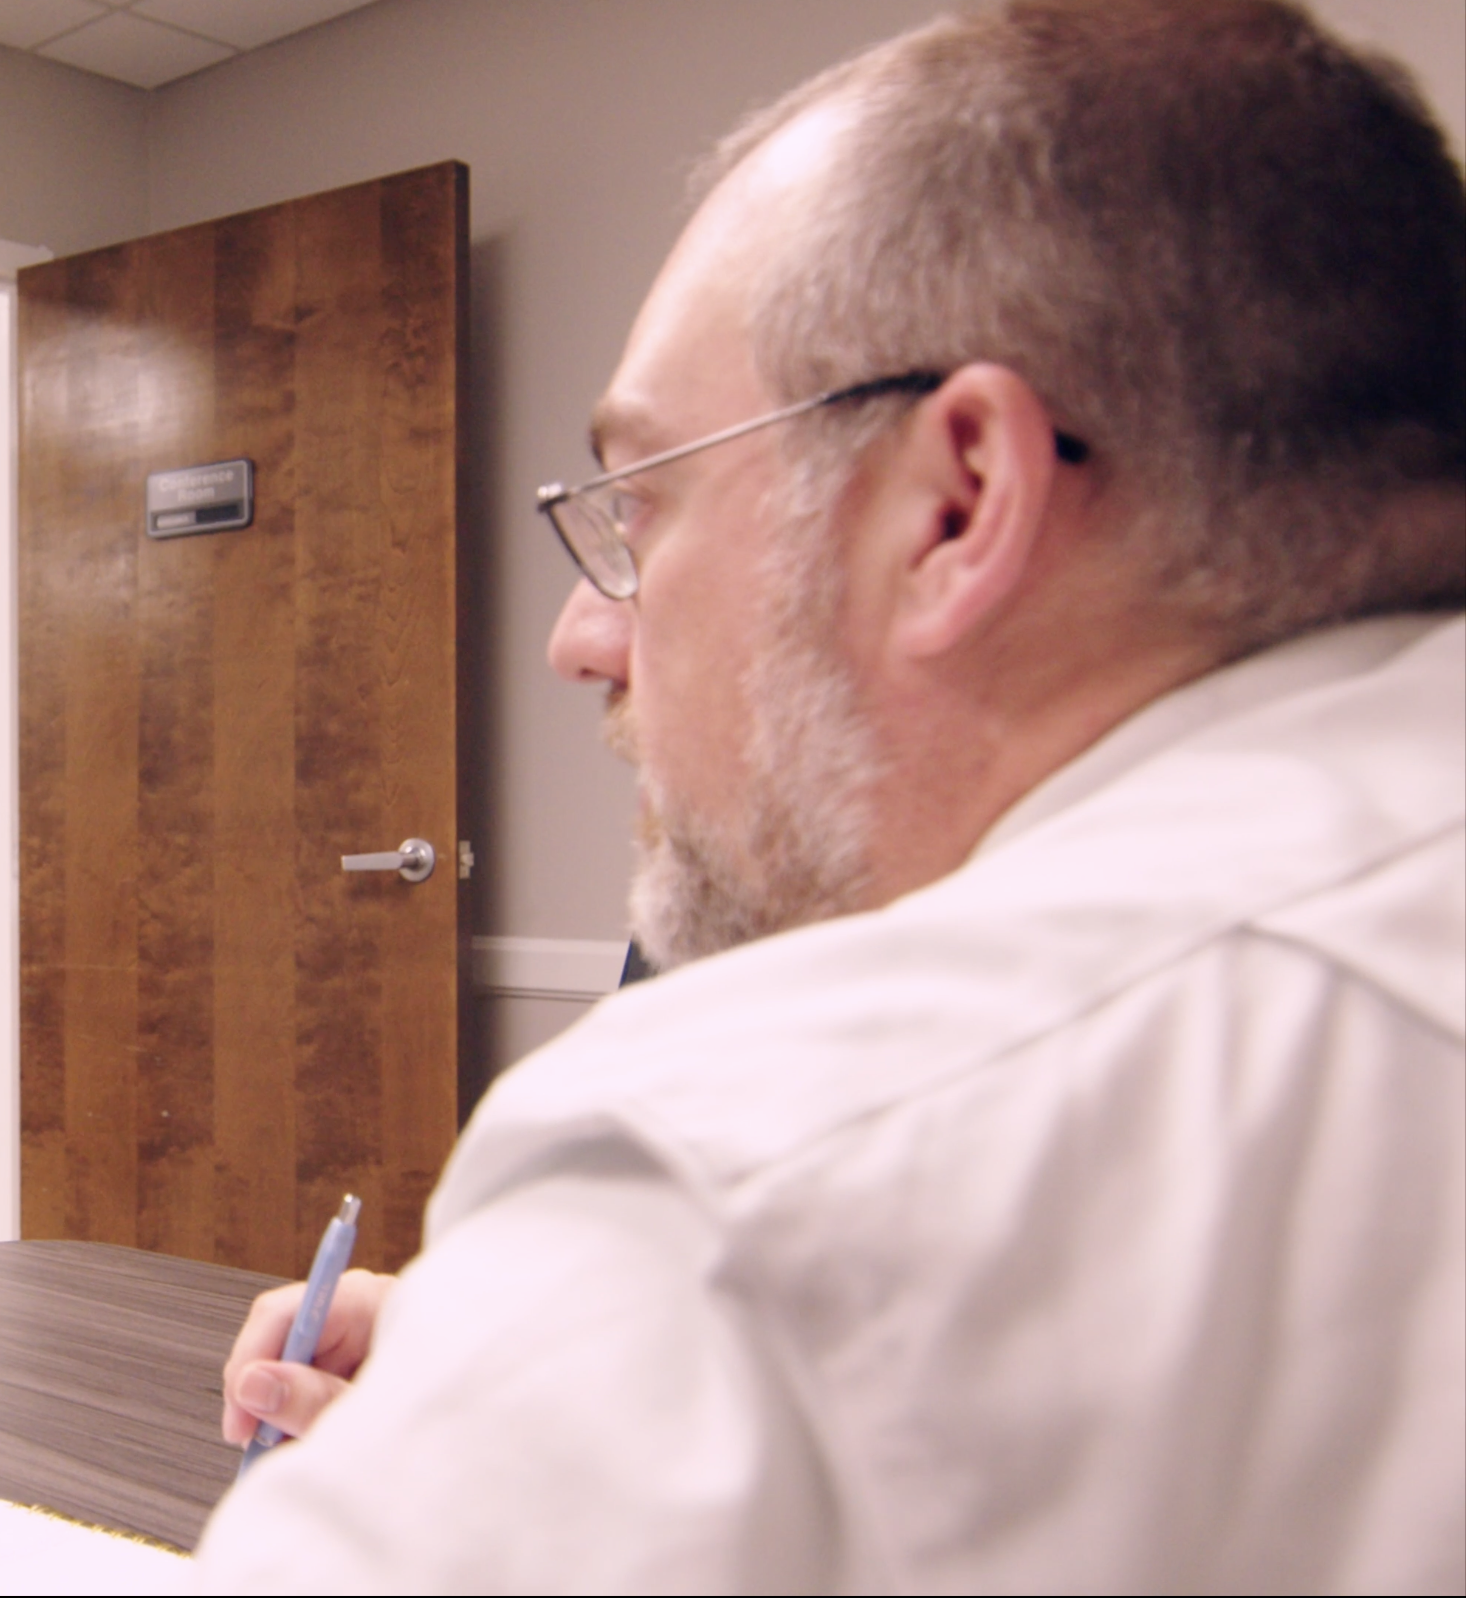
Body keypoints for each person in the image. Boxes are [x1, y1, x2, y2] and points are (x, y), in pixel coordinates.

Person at [198, 1, 1463, 1588]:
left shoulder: (752, 1169)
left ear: (958, 503)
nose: (581, 635)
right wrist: (510, 1346)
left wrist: (622, 1323)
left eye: (639, 506)